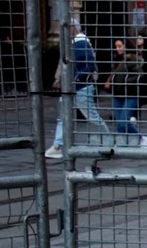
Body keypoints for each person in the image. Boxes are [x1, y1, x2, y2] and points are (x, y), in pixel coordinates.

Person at [46, 18, 111, 159]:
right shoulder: (76, 43)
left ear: (73, 29)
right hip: (75, 86)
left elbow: (90, 65)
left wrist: (75, 78)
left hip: (80, 87)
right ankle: (58, 145)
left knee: (89, 116)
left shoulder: (80, 43)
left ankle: (108, 140)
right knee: (64, 117)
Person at [103, 39, 147, 147]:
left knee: (123, 121)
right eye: (116, 46)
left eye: (120, 46)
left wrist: (125, 81)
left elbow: (140, 75)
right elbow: (113, 73)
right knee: (119, 123)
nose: (117, 49)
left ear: (126, 46)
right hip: (117, 93)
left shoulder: (133, 59)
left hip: (130, 93)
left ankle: (141, 138)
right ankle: (122, 142)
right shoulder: (116, 59)